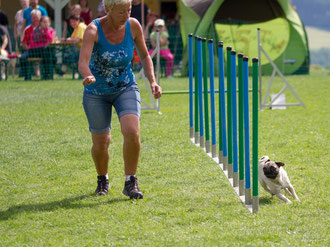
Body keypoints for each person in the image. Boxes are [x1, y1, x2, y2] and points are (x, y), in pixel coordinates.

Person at [78, 0, 162, 198]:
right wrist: (87, 75)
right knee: (101, 142)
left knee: (132, 131)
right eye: (121, 12)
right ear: (108, 10)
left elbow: (144, 55)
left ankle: (130, 181)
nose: (126, 15)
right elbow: (82, 61)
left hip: (125, 87)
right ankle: (102, 180)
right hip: (96, 92)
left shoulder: (133, 26)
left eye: (129, 10)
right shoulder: (93, 30)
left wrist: (153, 82)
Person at [20, 9, 41, 80]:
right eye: (33, 17)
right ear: (31, 18)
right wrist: (29, 48)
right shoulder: (27, 29)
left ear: (40, 17)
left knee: (49, 56)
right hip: (30, 50)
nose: (35, 19)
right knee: (23, 57)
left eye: (36, 17)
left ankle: (46, 75)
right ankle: (27, 76)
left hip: (41, 50)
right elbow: (23, 43)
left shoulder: (43, 28)